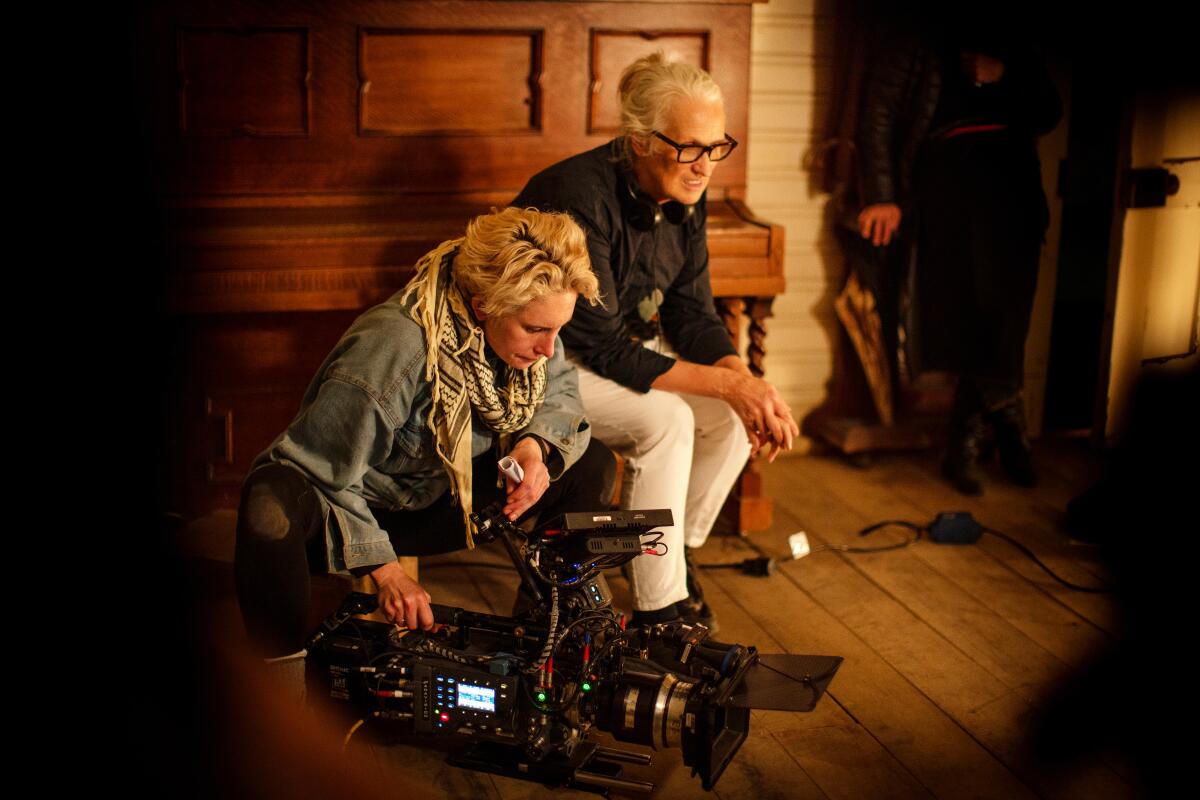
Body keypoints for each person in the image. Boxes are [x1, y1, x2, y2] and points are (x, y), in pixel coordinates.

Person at [234, 207, 613, 659]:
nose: (549, 347)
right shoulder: (396, 345)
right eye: (536, 330)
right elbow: (319, 471)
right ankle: (278, 696)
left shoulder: (534, 314)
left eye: (558, 330)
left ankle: (548, 643)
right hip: (360, 510)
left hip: (447, 497)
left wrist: (536, 447)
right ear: (481, 307)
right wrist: (388, 571)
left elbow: (561, 387)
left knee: (590, 464)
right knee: (269, 505)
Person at [513, 53, 798, 631]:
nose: (705, 166)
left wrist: (742, 381)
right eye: (689, 147)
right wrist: (731, 383)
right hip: (549, 365)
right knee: (667, 419)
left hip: (614, 354)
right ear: (641, 140)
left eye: (716, 147)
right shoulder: (577, 196)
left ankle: (672, 555)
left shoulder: (685, 192)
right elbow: (602, 346)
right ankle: (657, 608)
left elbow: (692, 312)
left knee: (727, 414)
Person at [856, 16, 1061, 495]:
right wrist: (881, 194)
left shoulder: (1016, 36)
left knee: (1011, 310)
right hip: (949, 177)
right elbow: (878, 113)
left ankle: (976, 428)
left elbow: (1049, 112)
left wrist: (1004, 77)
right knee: (974, 309)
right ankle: (1000, 419)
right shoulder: (915, 30)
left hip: (1015, 179)